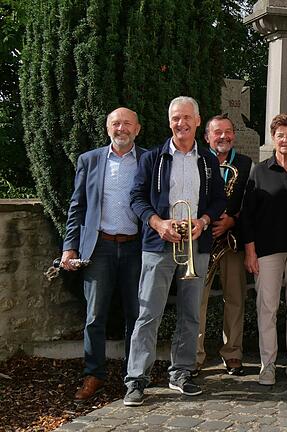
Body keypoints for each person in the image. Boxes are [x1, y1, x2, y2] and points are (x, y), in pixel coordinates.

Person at [123, 96, 226, 406]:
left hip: (196, 245)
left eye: (186, 118)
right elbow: (136, 198)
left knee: (191, 313)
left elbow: (219, 200)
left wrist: (205, 221)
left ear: (197, 121)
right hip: (159, 244)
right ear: (169, 122)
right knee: (148, 313)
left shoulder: (207, 159)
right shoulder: (153, 157)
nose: (180, 123)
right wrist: (157, 223)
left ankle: (180, 372)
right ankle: (137, 379)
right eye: (175, 118)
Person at [61, 107, 146, 400]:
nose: (120, 128)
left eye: (126, 124)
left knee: (136, 315)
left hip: (137, 247)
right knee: (94, 315)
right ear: (107, 128)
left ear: (137, 129)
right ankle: (94, 374)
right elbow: (77, 206)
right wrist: (69, 246)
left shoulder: (148, 159)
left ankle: (134, 377)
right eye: (115, 124)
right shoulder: (90, 160)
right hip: (100, 248)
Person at [242, 114, 287, 386]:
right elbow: (247, 215)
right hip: (267, 250)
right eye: (280, 135)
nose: (285, 139)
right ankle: (268, 363)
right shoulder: (260, 170)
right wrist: (250, 251)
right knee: (267, 307)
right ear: (273, 138)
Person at [195, 115, 253, 376]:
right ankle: (194, 356)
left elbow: (250, 203)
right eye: (217, 132)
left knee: (236, 298)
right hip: (200, 239)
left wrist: (232, 220)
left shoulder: (245, 163)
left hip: (231, 240)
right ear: (207, 137)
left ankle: (233, 353)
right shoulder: (196, 161)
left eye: (228, 132)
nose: (224, 137)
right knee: (197, 300)